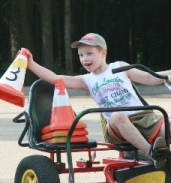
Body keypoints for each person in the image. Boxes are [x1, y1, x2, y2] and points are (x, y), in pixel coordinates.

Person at [26, 33, 170, 169]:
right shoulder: (87, 80)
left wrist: (168, 74)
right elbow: (55, 78)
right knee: (117, 115)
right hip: (117, 125)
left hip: (145, 118)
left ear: (103, 53)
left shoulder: (119, 67)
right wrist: (31, 64)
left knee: (168, 123)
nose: (84, 59)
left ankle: (163, 152)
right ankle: (152, 154)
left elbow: (150, 78)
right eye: (81, 55)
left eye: (89, 53)